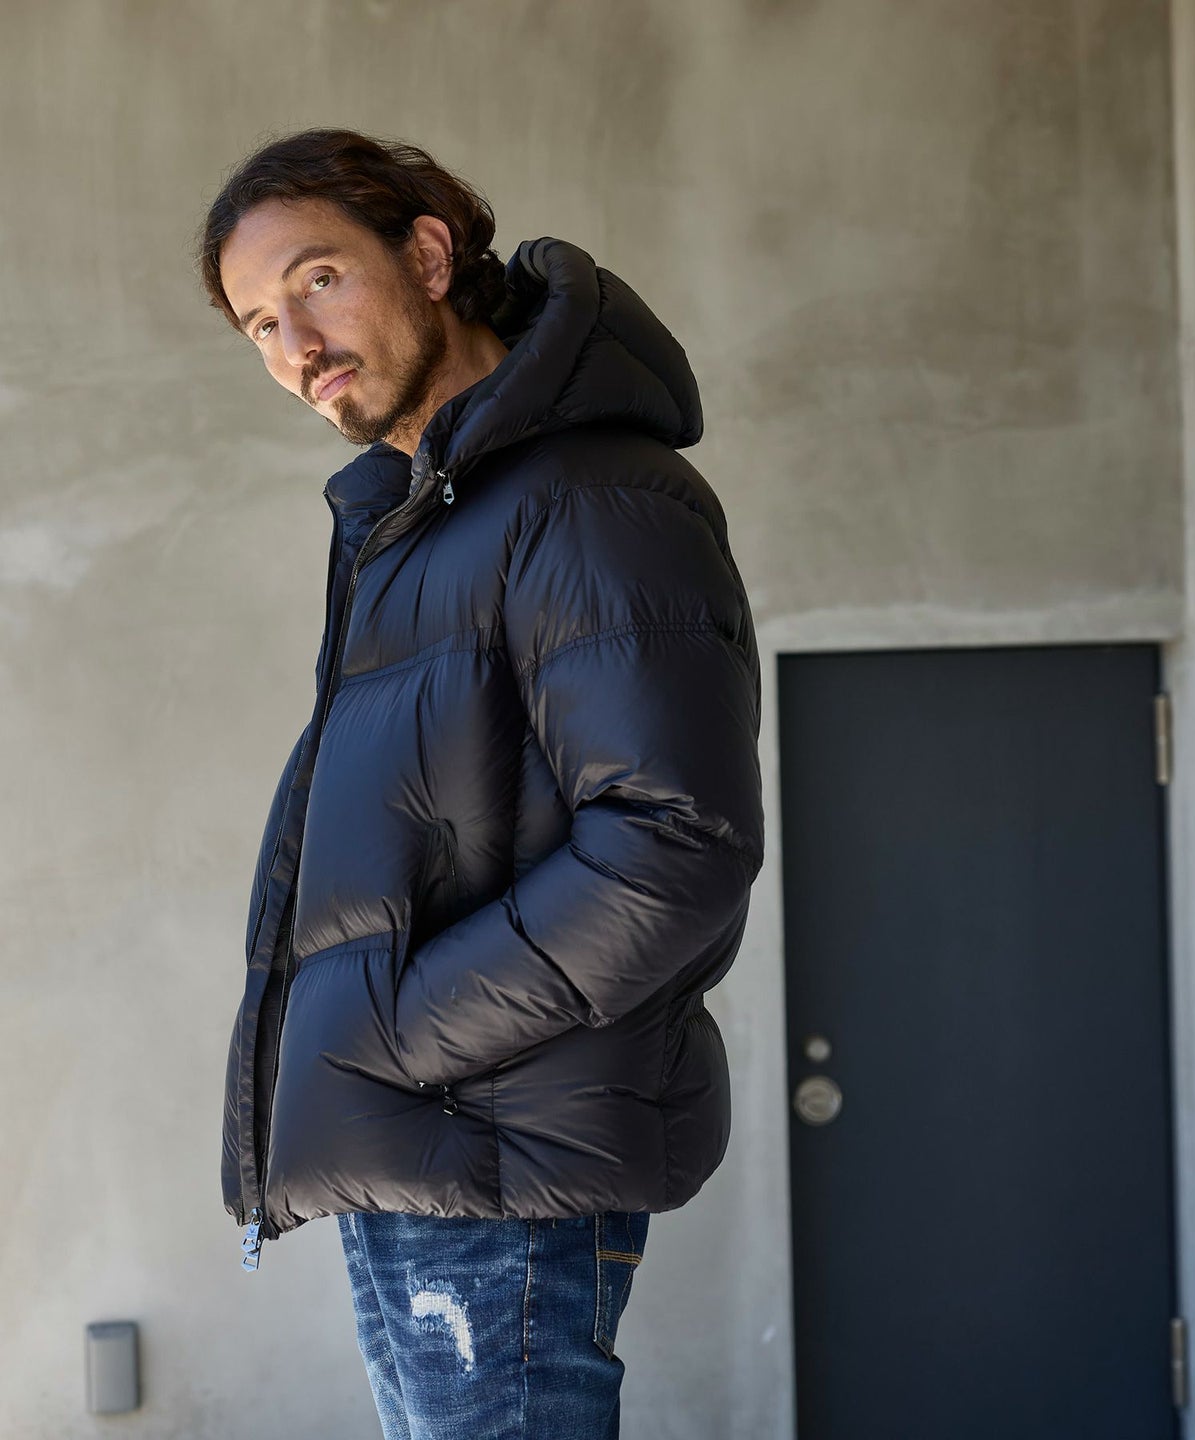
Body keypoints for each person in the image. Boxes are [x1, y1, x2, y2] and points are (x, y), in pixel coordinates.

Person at [198, 128, 763, 1440]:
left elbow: (675, 844)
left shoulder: (591, 498)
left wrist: (397, 1039)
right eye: (260, 323)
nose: (296, 345)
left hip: (493, 1166)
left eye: (319, 280)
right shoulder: (423, 523)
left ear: (430, 255)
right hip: (426, 1160)